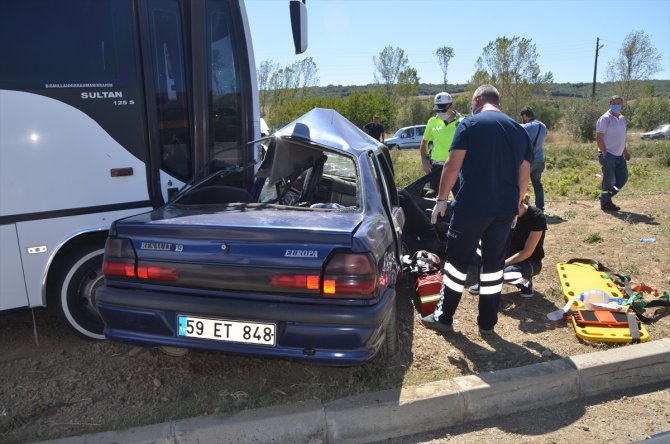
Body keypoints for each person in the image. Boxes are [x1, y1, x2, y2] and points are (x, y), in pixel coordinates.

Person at [418, 84, 531, 336]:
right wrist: (517, 205)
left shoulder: (469, 125)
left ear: (478, 100)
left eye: (472, 102)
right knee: (493, 267)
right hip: (503, 209)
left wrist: (441, 199)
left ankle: (444, 317)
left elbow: (451, 165)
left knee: (456, 263)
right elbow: (524, 172)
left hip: (471, 207)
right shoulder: (518, 130)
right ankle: (487, 324)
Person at [469, 195, 547, 297]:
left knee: (505, 274)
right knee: (481, 246)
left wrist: (501, 264)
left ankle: (526, 283)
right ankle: (482, 282)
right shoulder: (502, 215)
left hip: (529, 261)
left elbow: (527, 252)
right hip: (505, 255)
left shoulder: (537, 217)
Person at [420, 92, 463, 194]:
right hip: (436, 168)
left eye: (443, 109)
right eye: (438, 110)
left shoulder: (462, 122)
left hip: (457, 168)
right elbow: (423, 143)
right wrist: (424, 162)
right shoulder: (432, 121)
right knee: (434, 199)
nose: (440, 113)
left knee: (461, 200)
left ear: (451, 105)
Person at [596, 95, 630, 212]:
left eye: (618, 103)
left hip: (620, 155)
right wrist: (605, 153)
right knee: (609, 180)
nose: (616, 105)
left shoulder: (622, 118)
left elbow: (622, 137)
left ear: (622, 105)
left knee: (623, 177)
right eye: (613, 103)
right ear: (610, 104)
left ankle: (606, 196)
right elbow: (599, 137)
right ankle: (605, 204)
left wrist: (625, 152)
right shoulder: (605, 118)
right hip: (608, 154)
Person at [520, 107, 547, 212]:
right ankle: (540, 207)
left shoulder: (525, 127)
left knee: (522, 183)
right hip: (540, 159)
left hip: (529, 160)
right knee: (537, 184)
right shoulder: (543, 125)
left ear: (525, 116)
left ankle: (524, 206)